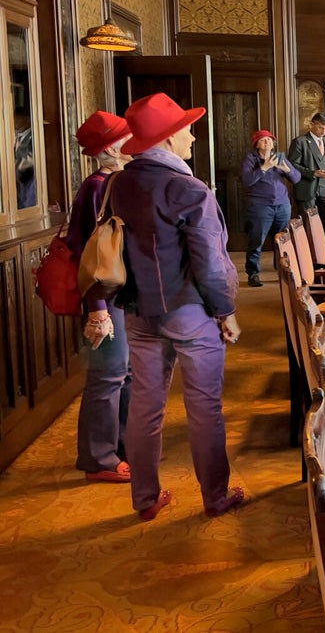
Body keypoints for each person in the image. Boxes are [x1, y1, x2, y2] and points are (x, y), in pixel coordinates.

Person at [109, 92, 243, 522]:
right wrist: (225, 311)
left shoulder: (120, 183)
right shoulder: (187, 188)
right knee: (204, 407)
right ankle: (216, 497)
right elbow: (210, 262)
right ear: (168, 138)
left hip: (138, 311)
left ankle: (145, 499)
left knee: (144, 406)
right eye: (187, 130)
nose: (193, 137)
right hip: (189, 311)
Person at [65, 111, 133, 484]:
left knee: (125, 373)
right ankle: (98, 458)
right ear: (111, 147)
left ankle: (121, 446)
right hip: (104, 299)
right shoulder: (96, 187)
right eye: (126, 137)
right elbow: (85, 254)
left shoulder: (114, 181)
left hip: (119, 295)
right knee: (107, 375)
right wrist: (97, 310)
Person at [240, 129, 300, 288]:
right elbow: (247, 181)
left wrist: (286, 169)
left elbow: (296, 178)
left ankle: (282, 270)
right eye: (263, 140)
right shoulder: (251, 159)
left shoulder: (279, 157)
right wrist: (264, 167)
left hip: (282, 206)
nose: (267, 142)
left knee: (282, 241)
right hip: (259, 207)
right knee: (256, 241)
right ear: (256, 144)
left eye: (270, 139)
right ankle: (253, 273)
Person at [287, 112, 325, 225]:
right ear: (311, 125)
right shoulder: (300, 142)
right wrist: (312, 173)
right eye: (320, 128)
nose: (323, 132)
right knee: (310, 226)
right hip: (307, 191)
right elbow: (292, 165)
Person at [14, 106, 36, 208]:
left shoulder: (34, 137)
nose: (14, 122)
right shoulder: (16, 137)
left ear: (26, 119)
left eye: (17, 119)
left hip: (29, 184)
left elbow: (30, 160)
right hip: (17, 186)